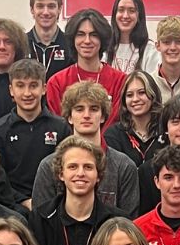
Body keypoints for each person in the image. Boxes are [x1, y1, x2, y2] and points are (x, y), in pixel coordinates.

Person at [31, 80, 138, 215]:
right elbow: (41, 218)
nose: (86, 115)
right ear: (69, 117)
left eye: (94, 109)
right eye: (79, 109)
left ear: (103, 116)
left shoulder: (124, 166)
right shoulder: (48, 166)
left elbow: (129, 222)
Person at [30, 136, 122, 245]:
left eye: (88, 167)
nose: (80, 173)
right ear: (61, 174)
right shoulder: (40, 219)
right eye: (72, 167)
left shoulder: (117, 221)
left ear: (98, 175)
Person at [0, 58, 72, 209]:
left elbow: (66, 171)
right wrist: (24, 201)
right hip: (13, 207)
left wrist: (47, 201)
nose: (27, 93)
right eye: (20, 86)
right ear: (11, 90)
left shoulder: (61, 127)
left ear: (44, 88)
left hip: (54, 204)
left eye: (33, 85)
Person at [46, 8, 126, 119]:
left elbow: (115, 123)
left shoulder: (120, 81)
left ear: (102, 39)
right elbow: (57, 124)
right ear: (73, 39)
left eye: (94, 35)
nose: (87, 41)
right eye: (80, 34)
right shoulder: (56, 83)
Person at [104, 69, 162, 168]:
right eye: (129, 95)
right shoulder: (113, 135)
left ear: (153, 95)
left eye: (141, 92)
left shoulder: (166, 131)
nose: (135, 99)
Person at [105, 0, 160, 76]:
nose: (125, 16)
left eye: (131, 11)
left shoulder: (150, 50)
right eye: (121, 10)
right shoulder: (104, 48)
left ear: (139, 16)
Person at [26, 0, 72, 80]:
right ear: (32, 10)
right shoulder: (21, 44)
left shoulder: (71, 44)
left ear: (59, 9)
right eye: (40, 6)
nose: (46, 12)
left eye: (51, 6)